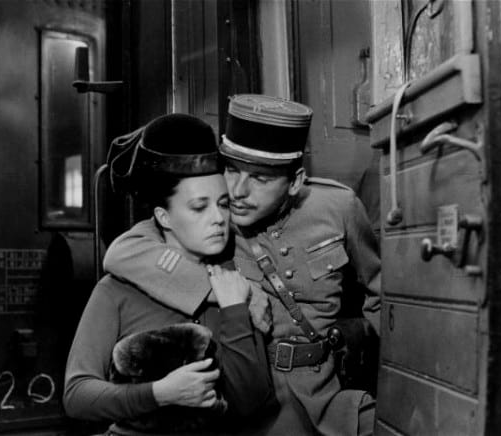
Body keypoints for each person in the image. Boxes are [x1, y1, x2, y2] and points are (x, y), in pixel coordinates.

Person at [103, 94, 381, 435]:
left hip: (327, 395)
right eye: (231, 169)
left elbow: (383, 294)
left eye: (261, 179)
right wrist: (236, 292)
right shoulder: (212, 217)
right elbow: (122, 252)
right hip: (250, 402)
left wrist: (383, 362)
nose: (238, 191)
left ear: (295, 181)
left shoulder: (337, 207)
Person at [63, 113, 276, 436]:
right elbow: (77, 395)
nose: (218, 219)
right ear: (163, 217)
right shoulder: (116, 290)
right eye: (199, 207)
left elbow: (251, 404)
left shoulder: (234, 285)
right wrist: (159, 394)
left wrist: (235, 310)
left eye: (223, 204)